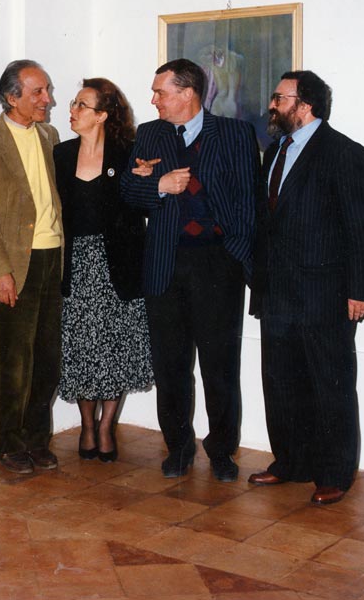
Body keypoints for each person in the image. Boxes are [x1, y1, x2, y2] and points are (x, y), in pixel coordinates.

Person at [248, 70, 364, 505]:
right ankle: (291, 462)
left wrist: (362, 289)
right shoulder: (275, 151)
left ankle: (334, 474)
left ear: (304, 105)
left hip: (325, 293)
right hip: (277, 290)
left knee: (330, 384)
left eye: (279, 98)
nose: (272, 105)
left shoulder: (344, 153)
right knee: (281, 382)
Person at [121, 58, 258, 480]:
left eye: (160, 92)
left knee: (220, 367)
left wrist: (236, 254)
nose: (154, 100)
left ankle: (222, 452)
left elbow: (250, 201)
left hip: (218, 264)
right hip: (165, 264)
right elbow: (128, 190)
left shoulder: (234, 133)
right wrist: (158, 186)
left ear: (187, 93)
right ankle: (178, 447)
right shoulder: (150, 134)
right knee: (171, 366)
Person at [0, 59, 64, 474]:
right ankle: (8, 442)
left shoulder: (50, 136)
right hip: (15, 266)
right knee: (15, 360)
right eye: (38, 92)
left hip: (54, 258)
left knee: (48, 358)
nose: (47, 100)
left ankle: (38, 440)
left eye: (47, 90)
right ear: (12, 97)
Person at [53, 79, 153, 462]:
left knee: (115, 346)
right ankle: (87, 425)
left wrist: (145, 181)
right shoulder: (61, 154)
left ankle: (107, 425)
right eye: (74, 103)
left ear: (102, 115)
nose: (72, 110)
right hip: (76, 265)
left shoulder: (128, 154)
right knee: (81, 346)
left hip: (119, 267)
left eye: (82, 105)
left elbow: (142, 206)